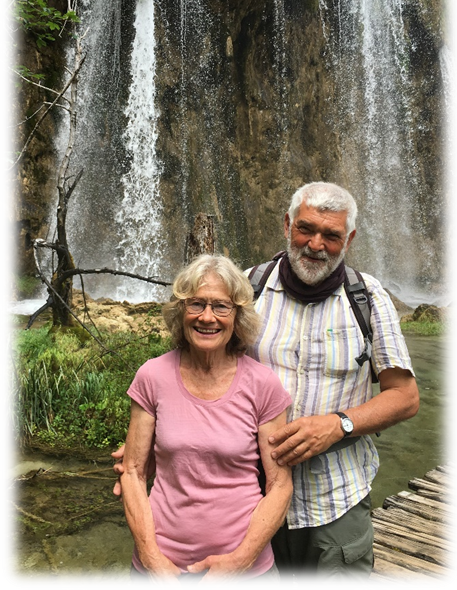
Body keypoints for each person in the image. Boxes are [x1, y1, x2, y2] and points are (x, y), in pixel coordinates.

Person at [245, 181, 419, 587]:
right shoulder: (248, 287)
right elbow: (201, 374)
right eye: (305, 229)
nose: (315, 245)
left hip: (336, 496)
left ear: (349, 239)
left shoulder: (368, 297)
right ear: (287, 224)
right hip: (250, 493)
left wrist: (338, 424)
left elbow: (405, 397)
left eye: (331, 235)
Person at [118, 254, 293, 588]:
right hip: (162, 566)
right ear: (181, 311)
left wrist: (239, 562)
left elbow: (280, 485)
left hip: (245, 571)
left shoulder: (263, 384)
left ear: (237, 316)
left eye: (221, 306)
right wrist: (151, 558)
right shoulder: (152, 376)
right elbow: (133, 472)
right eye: (196, 304)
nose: (207, 317)